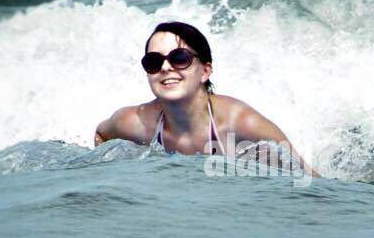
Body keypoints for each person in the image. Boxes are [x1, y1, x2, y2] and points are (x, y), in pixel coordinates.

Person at [94, 20, 320, 176]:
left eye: (179, 58)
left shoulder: (240, 123)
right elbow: (101, 135)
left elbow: (307, 176)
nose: (165, 68)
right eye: (153, 62)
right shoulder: (136, 122)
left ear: (205, 71)